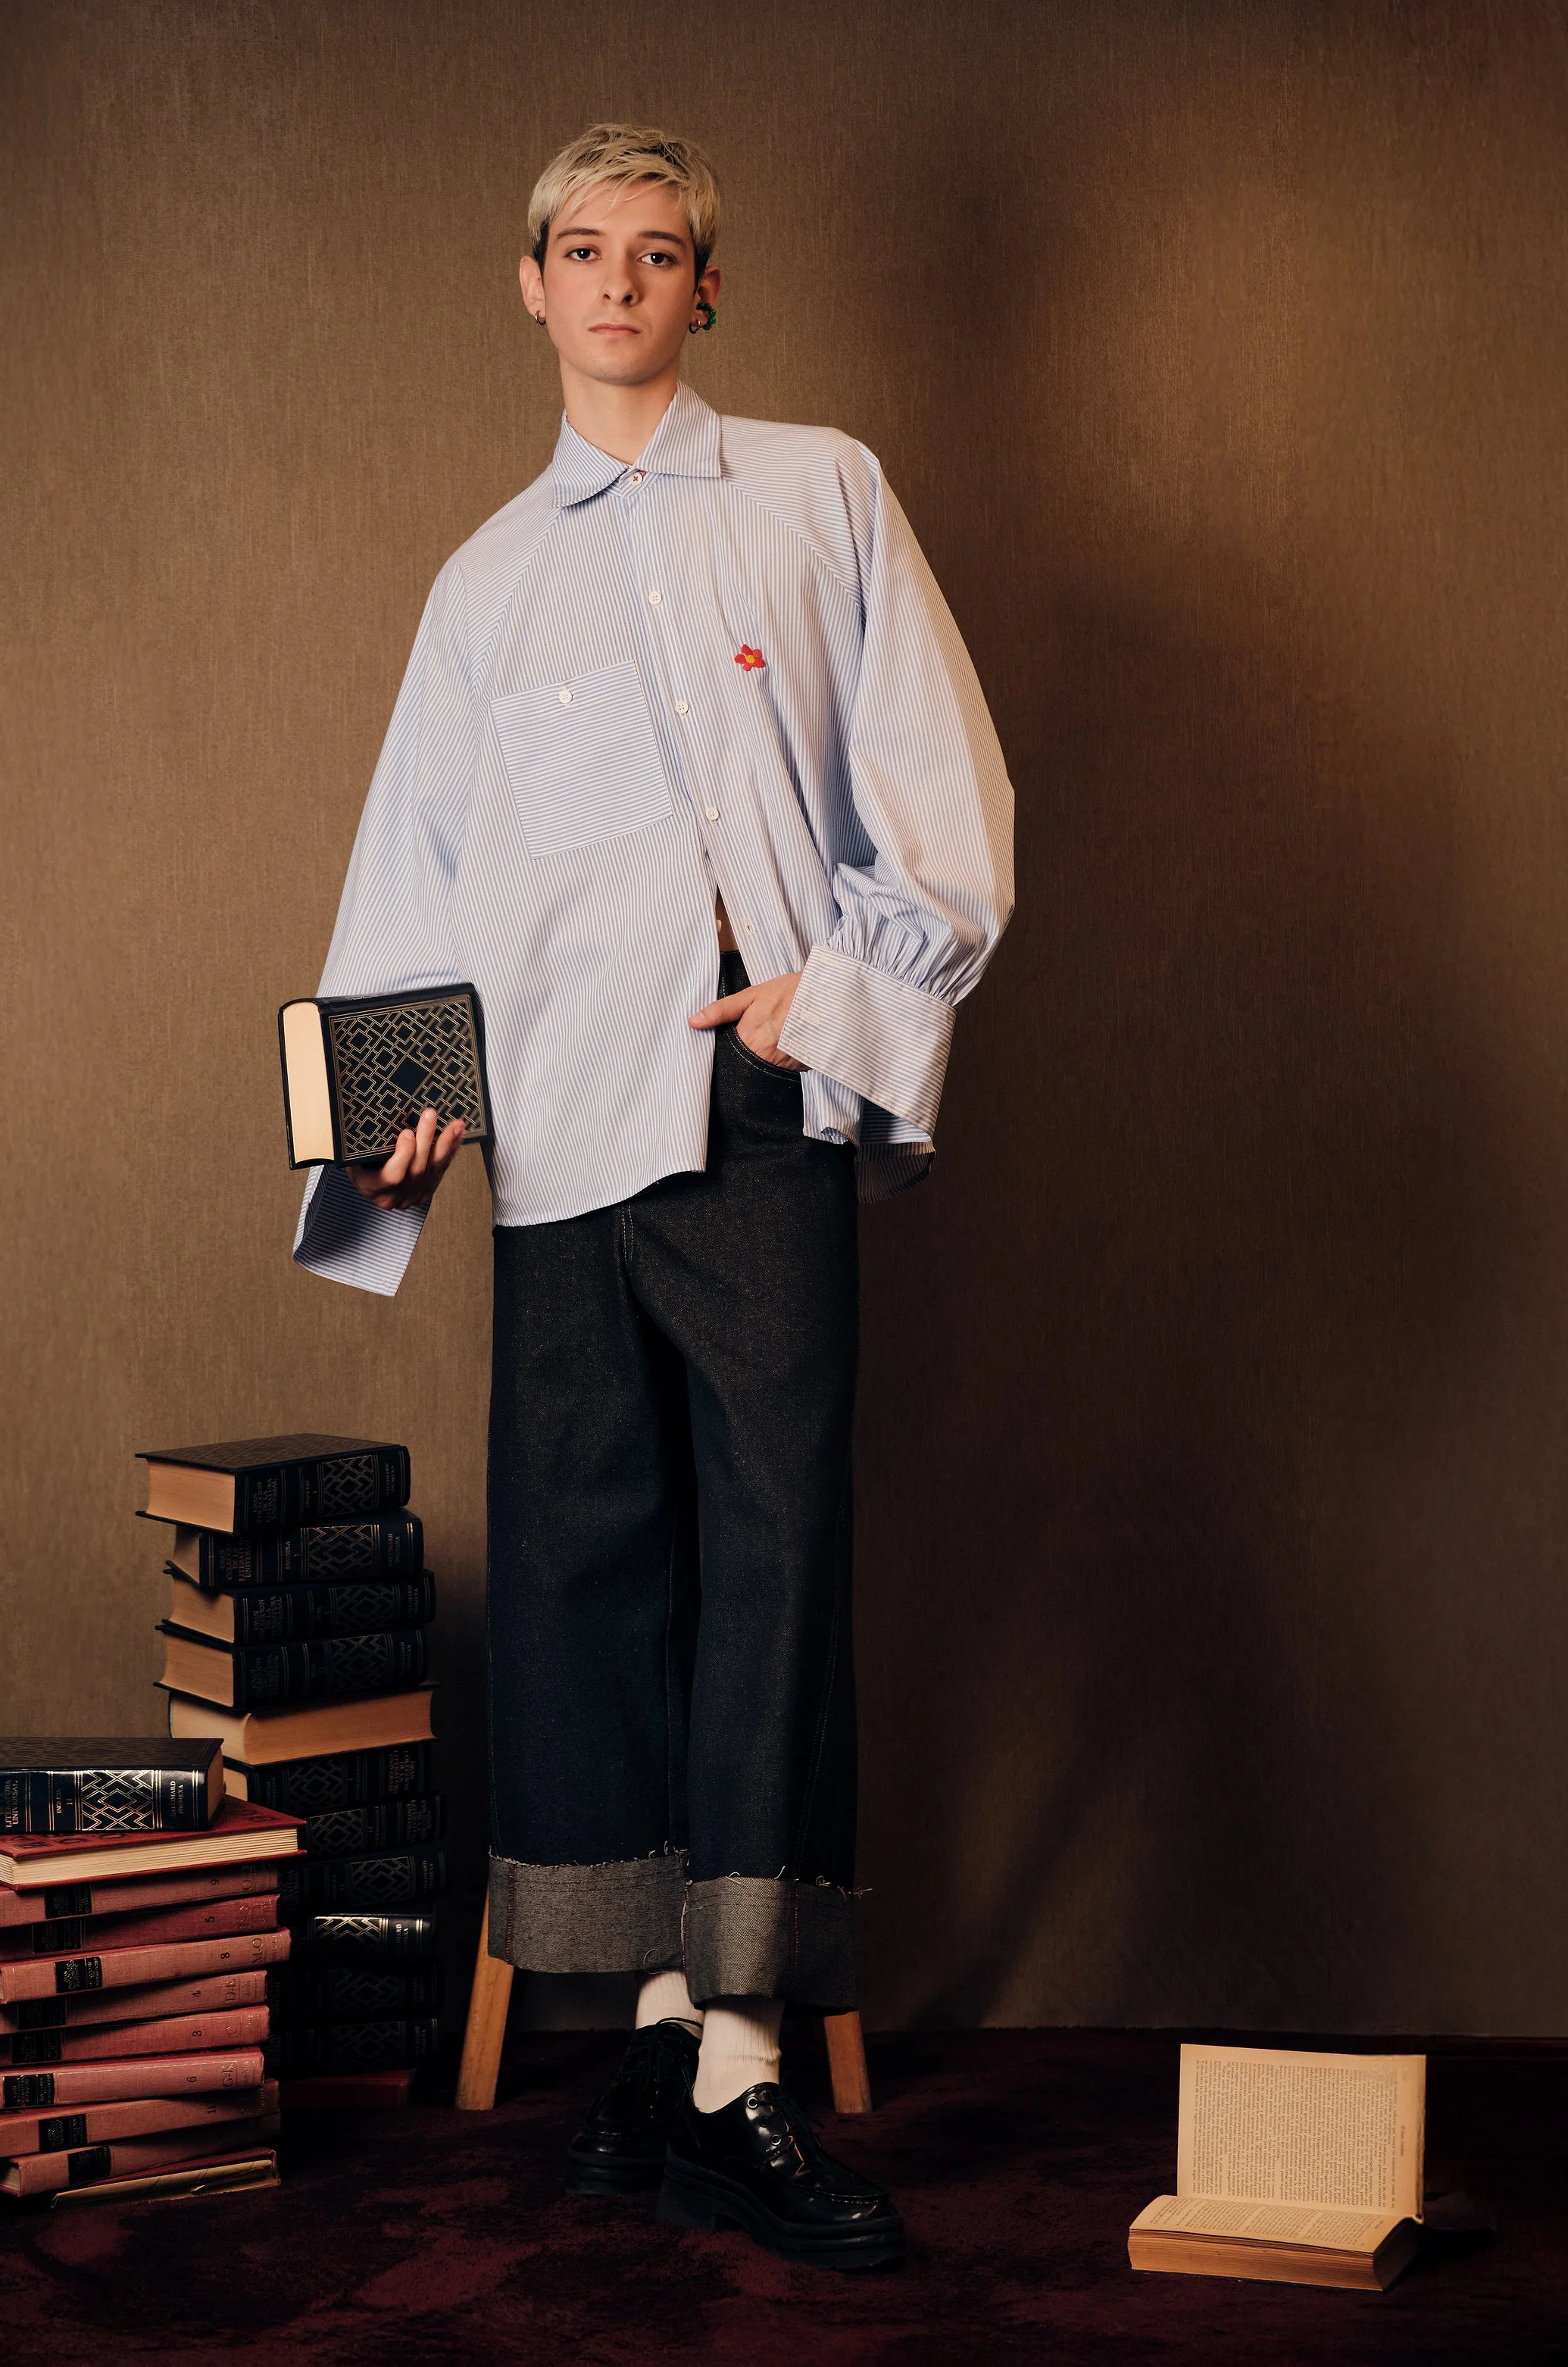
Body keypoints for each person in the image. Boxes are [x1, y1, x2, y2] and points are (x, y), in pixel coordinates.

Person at [293, 123, 1014, 2270]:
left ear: (709, 288)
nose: (618, 281)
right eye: (581, 250)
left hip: (753, 1103)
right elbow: (411, 878)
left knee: (772, 1555)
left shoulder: (817, 491)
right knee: (586, 1567)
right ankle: (660, 2028)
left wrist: (847, 993)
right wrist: (391, 1118)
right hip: (555, 1140)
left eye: (660, 251)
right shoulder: (481, 582)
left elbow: (935, 773)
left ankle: (741, 2045)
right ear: (527, 282)